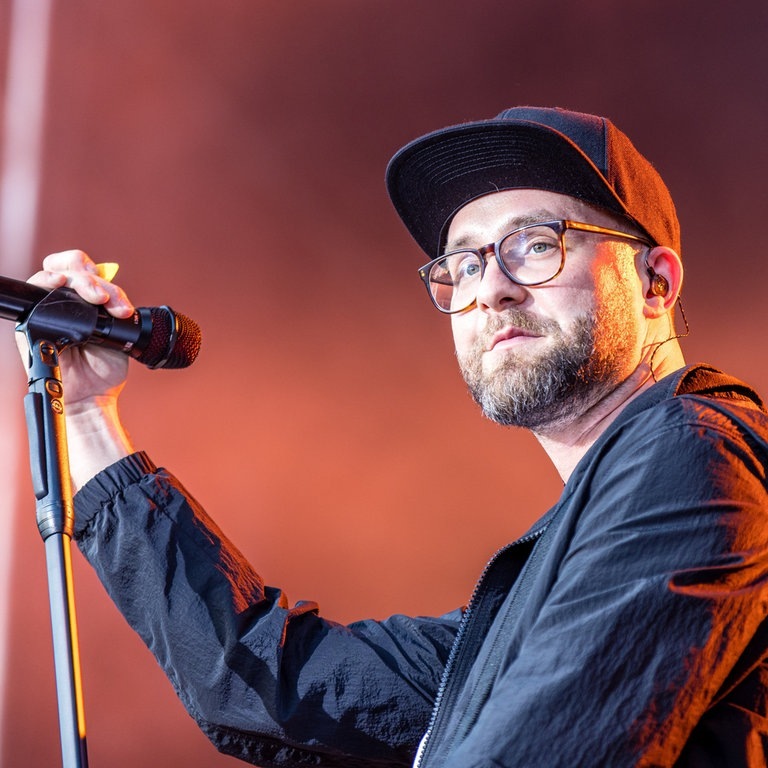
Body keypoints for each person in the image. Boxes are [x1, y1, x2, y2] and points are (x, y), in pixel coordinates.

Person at [20, 107, 768, 767]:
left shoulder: (695, 451)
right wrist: (87, 415)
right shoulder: (541, 593)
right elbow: (266, 684)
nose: (491, 288)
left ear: (655, 282)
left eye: (536, 243)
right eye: (463, 262)